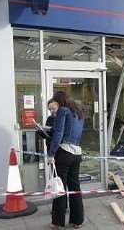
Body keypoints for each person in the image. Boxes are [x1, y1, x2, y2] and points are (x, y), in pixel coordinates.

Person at [47, 91, 85, 229]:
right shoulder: (79, 111)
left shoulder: (63, 110)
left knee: (60, 188)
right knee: (75, 188)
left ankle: (57, 222)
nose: (54, 108)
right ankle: (77, 221)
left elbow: (58, 133)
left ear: (59, 101)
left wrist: (51, 153)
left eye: (54, 104)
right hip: (76, 153)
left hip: (64, 153)